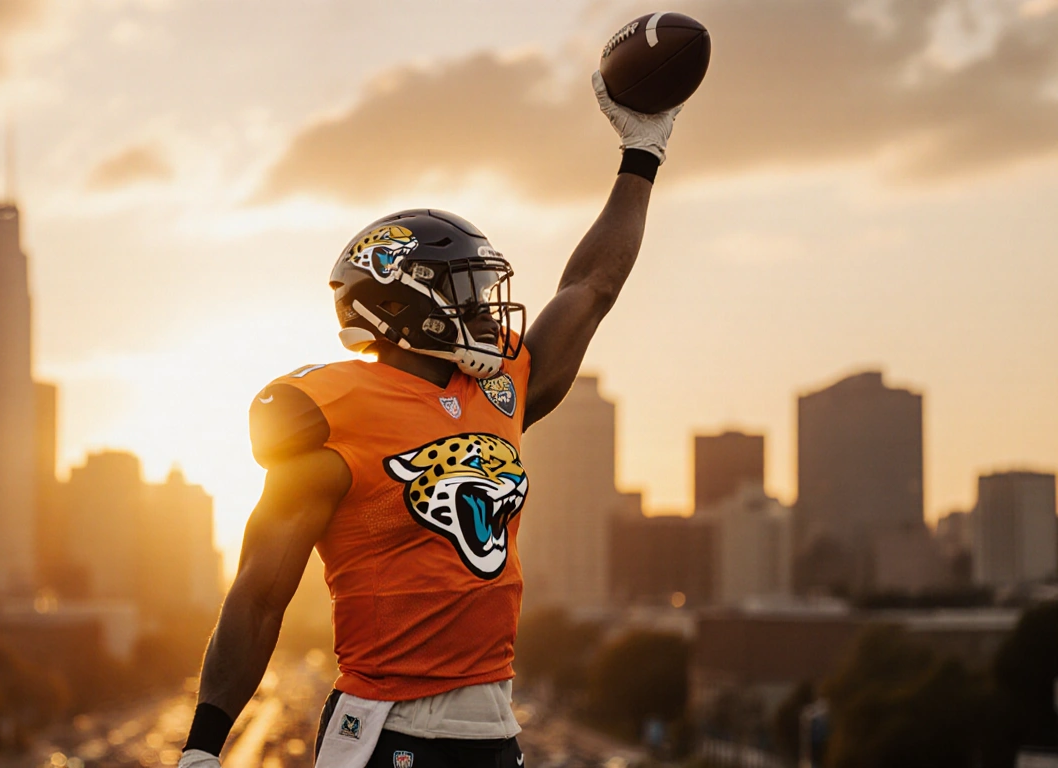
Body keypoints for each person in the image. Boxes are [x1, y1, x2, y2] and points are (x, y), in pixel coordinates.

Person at [179, 71, 684, 768]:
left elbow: (591, 286)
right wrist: (204, 747)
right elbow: (260, 595)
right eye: (468, 291)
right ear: (402, 303)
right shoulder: (334, 411)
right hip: (385, 729)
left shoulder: (499, 388)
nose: (487, 308)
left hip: (494, 725)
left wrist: (642, 154)